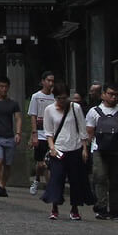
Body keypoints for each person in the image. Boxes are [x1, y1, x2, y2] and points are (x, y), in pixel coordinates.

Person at [43, 80, 95, 220]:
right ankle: (55, 206)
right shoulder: (49, 110)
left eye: (64, 98)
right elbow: (48, 132)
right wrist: (52, 147)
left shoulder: (75, 108)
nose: (62, 101)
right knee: (57, 178)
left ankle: (75, 208)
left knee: (76, 180)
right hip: (58, 149)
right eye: (59, 98)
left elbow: (82, 129)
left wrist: (84, 148)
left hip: (75, 147)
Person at [87, 82, 118, 218]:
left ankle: (114, 209)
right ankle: (101, 207)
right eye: (110, 94)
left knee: (115, 180)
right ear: (103, 95)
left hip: (116, 150)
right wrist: (86, 149)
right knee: (100, 177)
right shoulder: (94, 111)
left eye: (116, 95)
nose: (113, 97)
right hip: (98, 149)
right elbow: (89, 132)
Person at [28, 70, 56, 195]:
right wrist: (34, 134)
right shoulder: (36, 96)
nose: (50, 83)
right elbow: (33, 115)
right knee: (41, 163)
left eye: (52, 81)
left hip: (53, 134)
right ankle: (37, 179)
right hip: (40, 133)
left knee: (48, 163)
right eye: (48, 80)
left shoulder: (55, 97)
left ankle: (49, 188)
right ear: (43, 82)